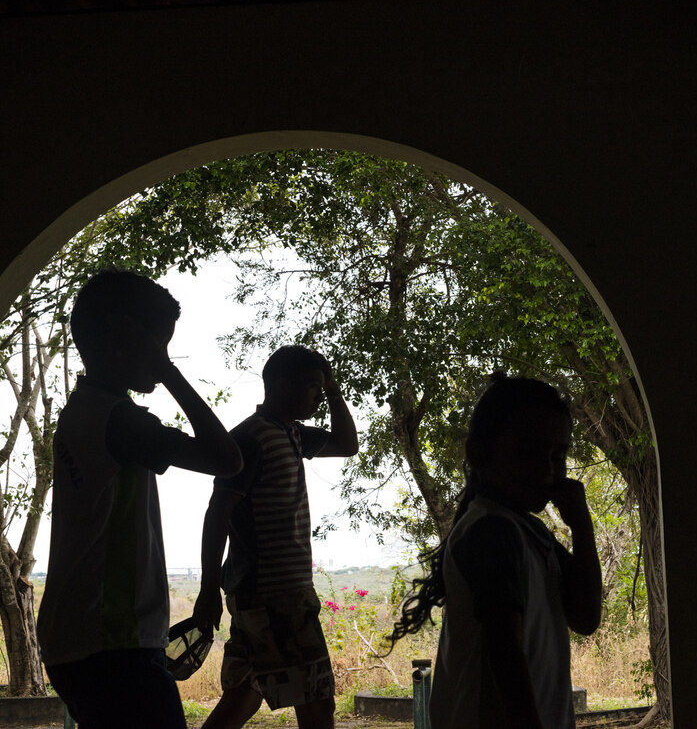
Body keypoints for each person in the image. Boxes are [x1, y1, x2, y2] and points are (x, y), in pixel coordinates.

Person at [37, 270, 243, 729]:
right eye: (158, 344)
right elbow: (226, 458)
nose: (161, 358)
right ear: (122, 336)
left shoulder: (83, 412)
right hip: (111, 646)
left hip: (89, 641)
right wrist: (168, 371)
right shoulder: (119, 422)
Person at [384, 374, 603, 729]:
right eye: (528, 453)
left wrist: (582, 524)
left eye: (558, 456)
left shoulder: (526, 531)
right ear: (479, 454)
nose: (547, 469)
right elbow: (508, 663)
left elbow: (585, 617)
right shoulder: (492, 531)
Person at [193, 345, 358, 729]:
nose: (319, 395)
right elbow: (218, 513)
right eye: (313, 387)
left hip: (268, 596)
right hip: (275, 597)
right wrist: (207, 588)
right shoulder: (252, 440)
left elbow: (347, 445)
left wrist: (332, 388)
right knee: (317, 702)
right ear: (283, 385)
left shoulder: (293, 435)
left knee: (244, 694)